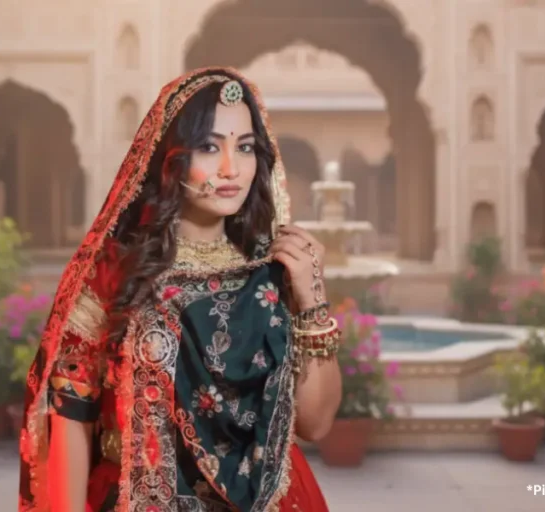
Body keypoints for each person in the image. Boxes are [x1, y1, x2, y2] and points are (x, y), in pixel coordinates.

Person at [18, 67, 343, 511]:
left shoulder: (275, 269)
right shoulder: (116, 272)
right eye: (209, 146)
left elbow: (316, 424)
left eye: (245, 147)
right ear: (169, 157)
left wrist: (312, 299)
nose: (231, 169)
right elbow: (72, 414)